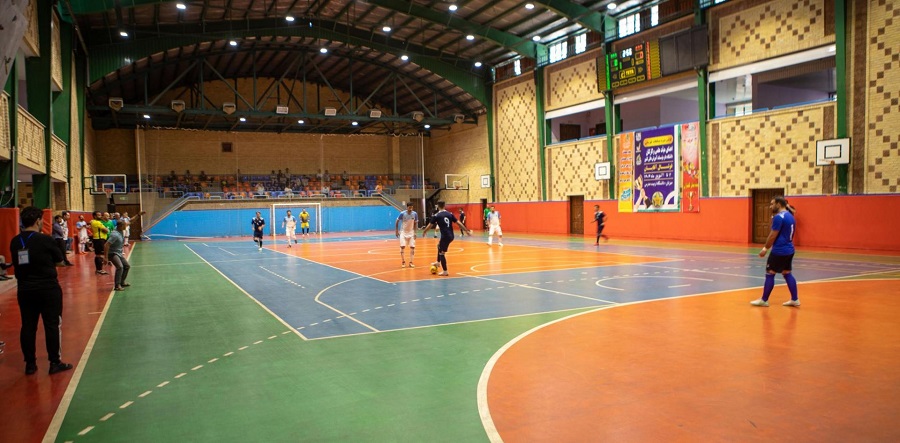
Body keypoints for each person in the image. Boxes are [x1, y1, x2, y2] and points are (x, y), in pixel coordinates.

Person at [9, 206, 74, 375]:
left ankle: (30, 364)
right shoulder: (46, 240)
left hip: (25, 289)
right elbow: (60, 262)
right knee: (52, 324)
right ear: (38, 221)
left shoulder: (15, 241)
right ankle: (54, 362)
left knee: (28, 326)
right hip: (48, 288)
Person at [751, 196, 800, 307]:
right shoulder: (790, 216)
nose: (770, 206)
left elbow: (773, 235)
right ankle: (795, 299)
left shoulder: (779, 217)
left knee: (770, 273)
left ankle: (764, 300)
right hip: (789, 249)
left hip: (779, 250)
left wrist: (765, 249)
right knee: (787, 273)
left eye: (772, 204)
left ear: (778, 204)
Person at [422, 201, 470, 276]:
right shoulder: (450, 214)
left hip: (445, 236)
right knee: (439, 246)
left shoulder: (436, 215)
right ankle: (438, 262)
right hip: (451, 235)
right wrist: (466, 230)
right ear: (444, 205)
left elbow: (430, 225)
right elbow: (459, 223)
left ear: (438, 206)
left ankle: (445, 271)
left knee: (441, 253)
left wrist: (424, 231)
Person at [104, 221, 131, 291]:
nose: (126, 226)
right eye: (125, 225)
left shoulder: (120, 229)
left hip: (119, 252)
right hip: (112, 253)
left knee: (127, 266)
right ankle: (117, 285)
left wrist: (138, 216)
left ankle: (122, 282)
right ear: (120, 226)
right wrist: (105, 257)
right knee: (120, 267)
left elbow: (130, 222)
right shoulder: (115, 235)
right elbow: (106, 245)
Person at [395, 203, 419, 268]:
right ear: (407, 207)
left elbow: (415, 223)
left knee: (412, 247)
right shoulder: (402, 213)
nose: (410, 209)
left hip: (411, 232)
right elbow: (397, 221)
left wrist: (415, 232)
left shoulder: (415, 214)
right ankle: (403, 262)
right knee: (402, 246)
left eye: (411, 207)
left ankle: (411, 262)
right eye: (409, 207)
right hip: (403, 232)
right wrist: (396, 231)